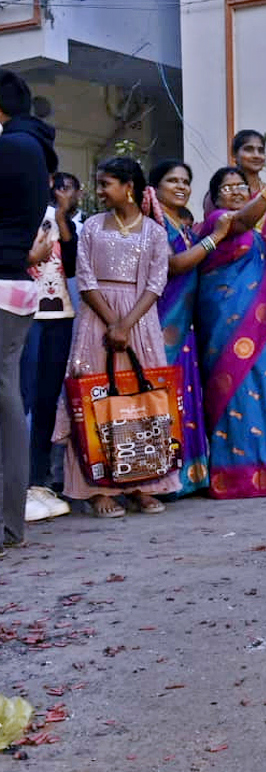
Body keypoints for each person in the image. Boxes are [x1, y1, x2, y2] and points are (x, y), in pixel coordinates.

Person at [56, 157, 174, 518]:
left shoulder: (154, 231)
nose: (100, 191)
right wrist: (112, 323)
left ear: (129, 187)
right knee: (94, 398)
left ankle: (142, 484)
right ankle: (95, 489)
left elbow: (156, 282)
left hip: (140, 319)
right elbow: (85, 276)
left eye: (106, 183)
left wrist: (128, 323)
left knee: (140, 399)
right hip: (98, 318)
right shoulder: (91, 226)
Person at [194, 166, 266, 499]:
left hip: (263, 319)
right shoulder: (218, 221)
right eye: (227, 187)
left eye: (240, 186)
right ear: (215, 197)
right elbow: (241, 222)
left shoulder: (261, 228)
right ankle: (234, 477)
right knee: (235, 389)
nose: (236, 191)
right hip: (226, 318)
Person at [144, 160, 230, 496]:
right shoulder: (154, 220)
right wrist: (216, 238)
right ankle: (159, 480)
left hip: (185, 324)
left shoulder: (181, 224)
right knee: (162, 393)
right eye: (172, 180)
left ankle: (187, 477)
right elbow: (174, 265)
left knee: (184, 392)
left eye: (186, 181)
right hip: (162, 319)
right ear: (156, 185)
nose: (181, 186)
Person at [0, 70, 54, 548]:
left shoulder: (10, 147)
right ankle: (11, 522)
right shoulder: (32, 148)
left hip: (2, 280)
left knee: (5, 401)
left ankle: (7, 523)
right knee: (8, 396)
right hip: (16, 281)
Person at [21, 172, 78, 521]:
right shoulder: (14, 213)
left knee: (45, 400)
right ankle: (17, 482)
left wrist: (60, 218)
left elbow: (71, 266)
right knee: (22, 397)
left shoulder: (59, 219)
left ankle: (37, 481)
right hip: (22, 313)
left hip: (59, 316)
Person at [202, 129, 266, 218]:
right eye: (249, 149)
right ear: (234, 154)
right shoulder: (221, 193)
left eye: (261, 150)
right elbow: (212, 224)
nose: (256, 155)